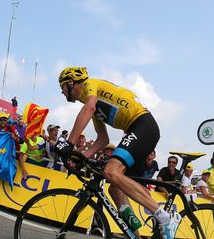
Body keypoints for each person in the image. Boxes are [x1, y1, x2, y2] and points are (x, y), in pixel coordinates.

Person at [54, 67, 180, 238]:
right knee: (115, 188)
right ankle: (135, 235)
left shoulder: (90, 86)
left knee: (110, 171)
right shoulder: (92, 104)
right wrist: (82, 157)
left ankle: (164, 219)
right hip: (136, 130)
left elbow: (89, 108)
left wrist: (69, 144)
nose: (62, 92)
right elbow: (103, 139)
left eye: (62, 87)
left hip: (142, 125)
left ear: (71, 83)